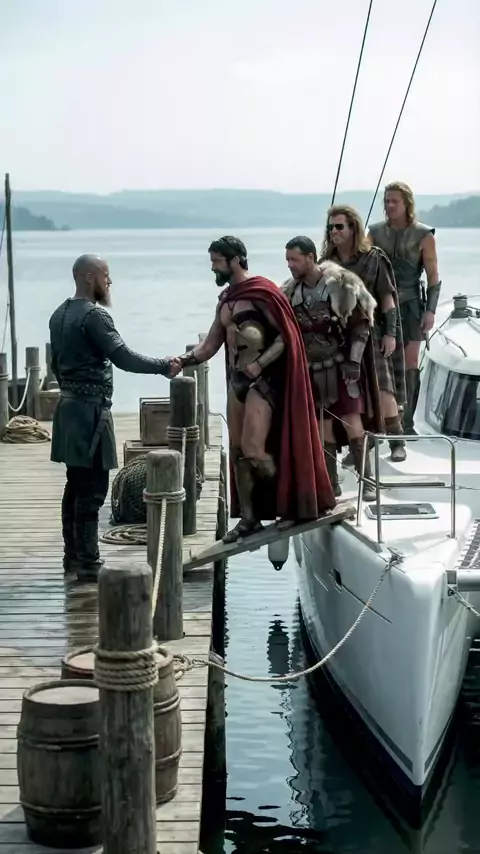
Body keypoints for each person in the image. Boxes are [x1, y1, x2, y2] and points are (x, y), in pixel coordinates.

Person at [173, 235, 336, 542]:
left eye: (217, 262)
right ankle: (250, 519)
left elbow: (287, 335)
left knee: (254, 450)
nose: (213, 268)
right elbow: (209, 345)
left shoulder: (264, 292)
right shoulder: (226, 300)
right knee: (238, 451)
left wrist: (260, 364)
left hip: (265, 382)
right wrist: (181, 360)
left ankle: (292, 501)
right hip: (238, 382)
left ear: (235, 260)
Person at [49, 254, 179, 581]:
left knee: (75, 483)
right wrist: (164, 366)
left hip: (68, 408)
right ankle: (88, 564)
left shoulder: (59, 313)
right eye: (105, 275)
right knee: (92, 489)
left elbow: (55, 365)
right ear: (89, 277)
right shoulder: (94, 316)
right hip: (90, 412)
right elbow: (123, 357)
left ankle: (72, 558)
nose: (109, 282)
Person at [283, 235, 381, 502]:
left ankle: (368, 481)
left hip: (341, 367)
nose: (290, 265)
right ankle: (331, 485)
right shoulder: (290, 293)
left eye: (294, 259)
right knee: (321, 427)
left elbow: (361, 326)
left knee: (352, 423)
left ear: (310, 257)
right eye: (287, 260)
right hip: (311, 370)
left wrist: (354, 361)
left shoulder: (342, 285)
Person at [320, 206, 407, 463]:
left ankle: (397, 442)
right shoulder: (326, 263)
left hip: (372, 333)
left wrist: (390, 334)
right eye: (330, 227)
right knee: (351, 397)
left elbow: (388, 301)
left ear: (353, 228)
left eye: (339, 226)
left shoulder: (373, 258)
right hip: (339, 338)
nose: (333, 231)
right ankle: (360, 446)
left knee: (383, 390)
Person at [368, 181, 442, 435]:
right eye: (386, 201)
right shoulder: (375, 232)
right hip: (381, 305)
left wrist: (431, 310)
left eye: (394, 201)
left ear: (406, 203)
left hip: (411, 305)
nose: (389, 205)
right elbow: (365, 266)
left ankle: (406, 423)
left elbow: (433, 275)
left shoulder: (423, 234)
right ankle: (385, 420)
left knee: (410, 361)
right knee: (384, 361)